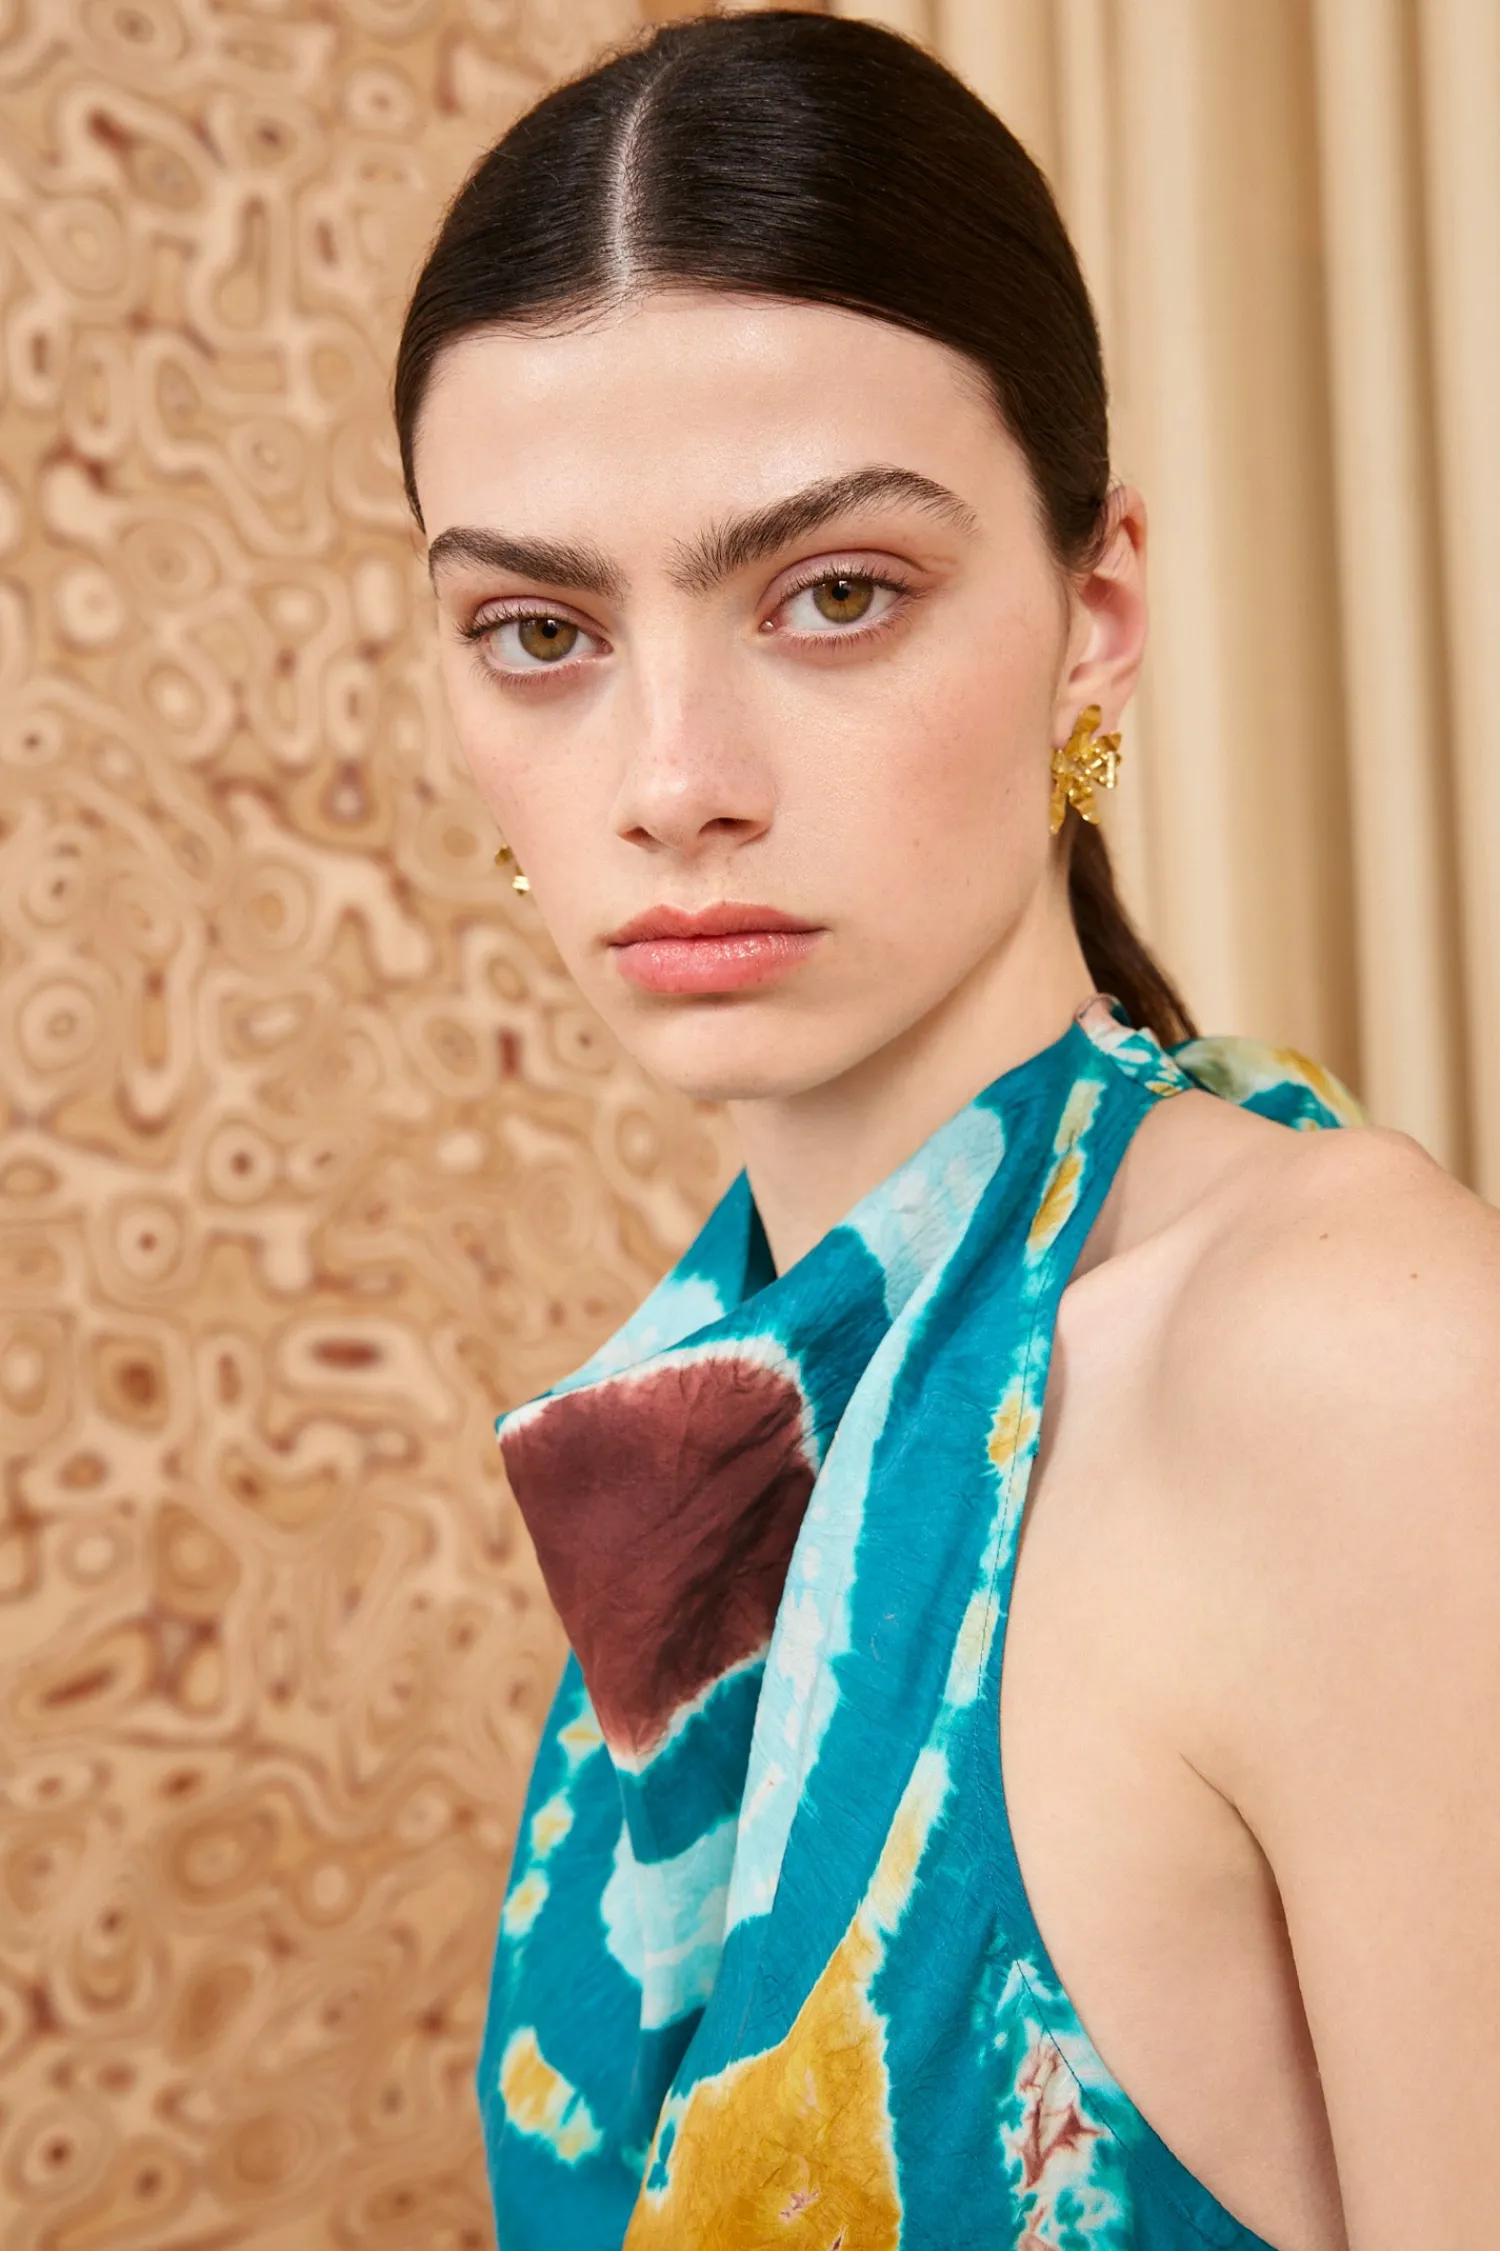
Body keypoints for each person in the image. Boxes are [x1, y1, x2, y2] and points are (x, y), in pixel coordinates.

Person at [393, 13, 1500, 2248]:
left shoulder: (1342, 1357)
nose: (671, 780)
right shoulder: (725, 1404)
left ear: (1098, 615)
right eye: (538, 629)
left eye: (834, 594)